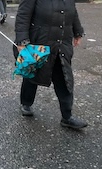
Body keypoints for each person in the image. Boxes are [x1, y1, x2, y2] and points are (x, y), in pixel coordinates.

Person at [15, 0, 88, 129]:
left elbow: (73, 12)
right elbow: (23, 15)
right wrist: (21, 40)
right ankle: (26, 102)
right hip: (39, 41)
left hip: (62, 43)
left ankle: (67, 116)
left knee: (64, 77)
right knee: (33, 73)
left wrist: (78, 31)